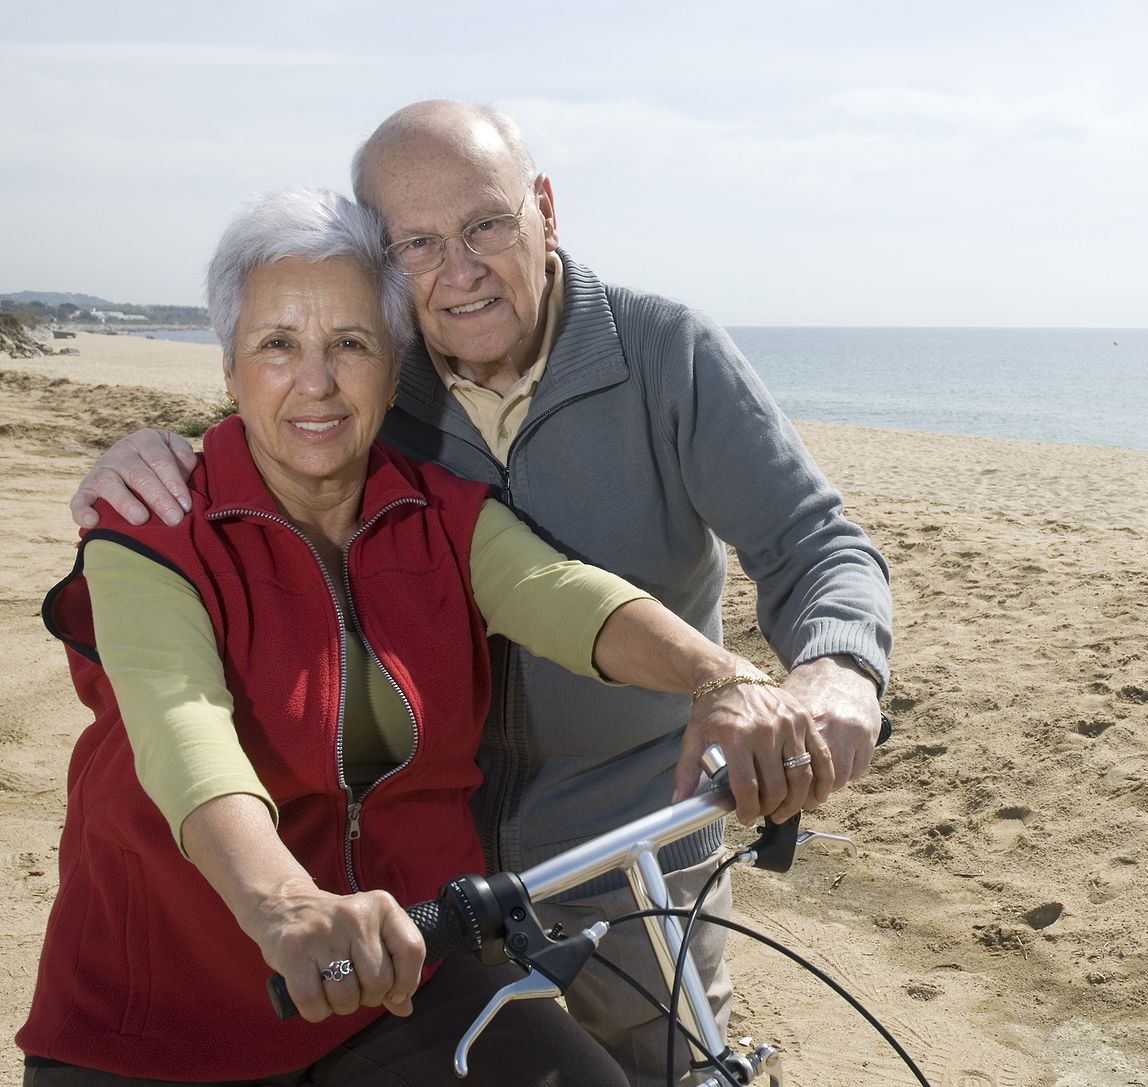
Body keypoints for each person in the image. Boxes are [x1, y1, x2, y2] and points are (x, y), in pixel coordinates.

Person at [69, 99, 893, 1085]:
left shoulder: (669, 354)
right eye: (416, 243)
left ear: (544, 208)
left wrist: (835, 674)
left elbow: (813, 541)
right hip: (420, 869)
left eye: (486, 225)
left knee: (667, 1059)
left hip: (627, 840)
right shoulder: (381, 372)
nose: (457, 272)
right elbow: (272, 419)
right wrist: (142, 456)